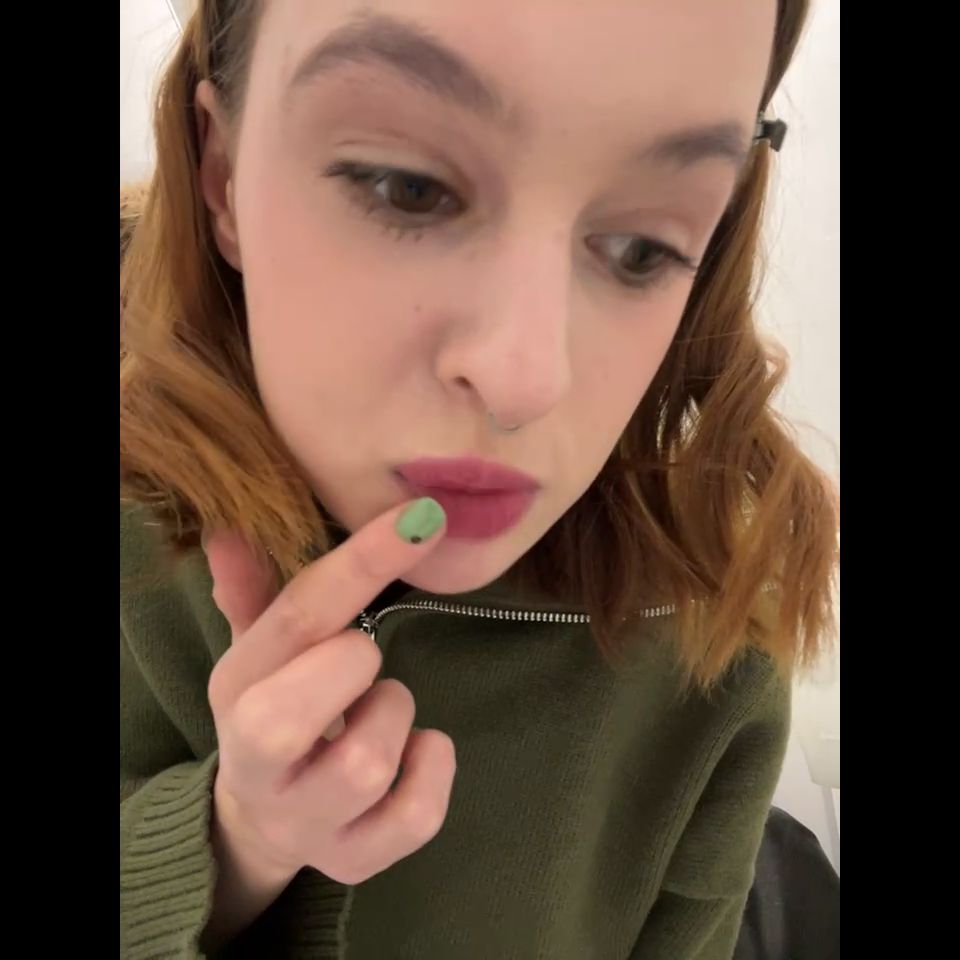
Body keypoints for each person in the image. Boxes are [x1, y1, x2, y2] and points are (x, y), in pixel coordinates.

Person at [119, 1, 839, 957]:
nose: (524, 379)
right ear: (221, 175)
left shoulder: (711, 647)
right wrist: (230, 849)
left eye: (643, 248)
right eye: (408, 188)